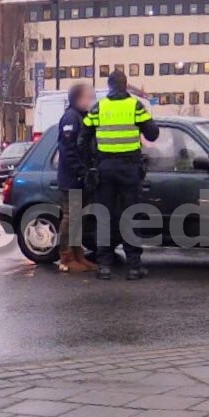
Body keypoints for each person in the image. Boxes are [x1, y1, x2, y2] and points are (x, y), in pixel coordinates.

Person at [78, 70, 158, 281]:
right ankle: (134, 266)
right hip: (129, 170)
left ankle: (104, 266)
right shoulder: (134, 106)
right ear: (125, 85)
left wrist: (91, 165)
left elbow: (82, 139)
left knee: (104, 217)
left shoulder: (99, 107)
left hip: (104, 169)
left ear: (110, 86)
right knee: (131, 216)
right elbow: (153, 134)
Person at [57, 83, 97, 273]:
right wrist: (82, 171)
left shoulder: (83, 117)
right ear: (78, 99)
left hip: (81, 178)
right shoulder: (70, 118)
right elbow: (68, 151)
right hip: (72, 178)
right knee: (70, 217)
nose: (91, 101)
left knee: (78, 219)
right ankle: (66, 257)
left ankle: (78, 254)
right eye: (89, 97)